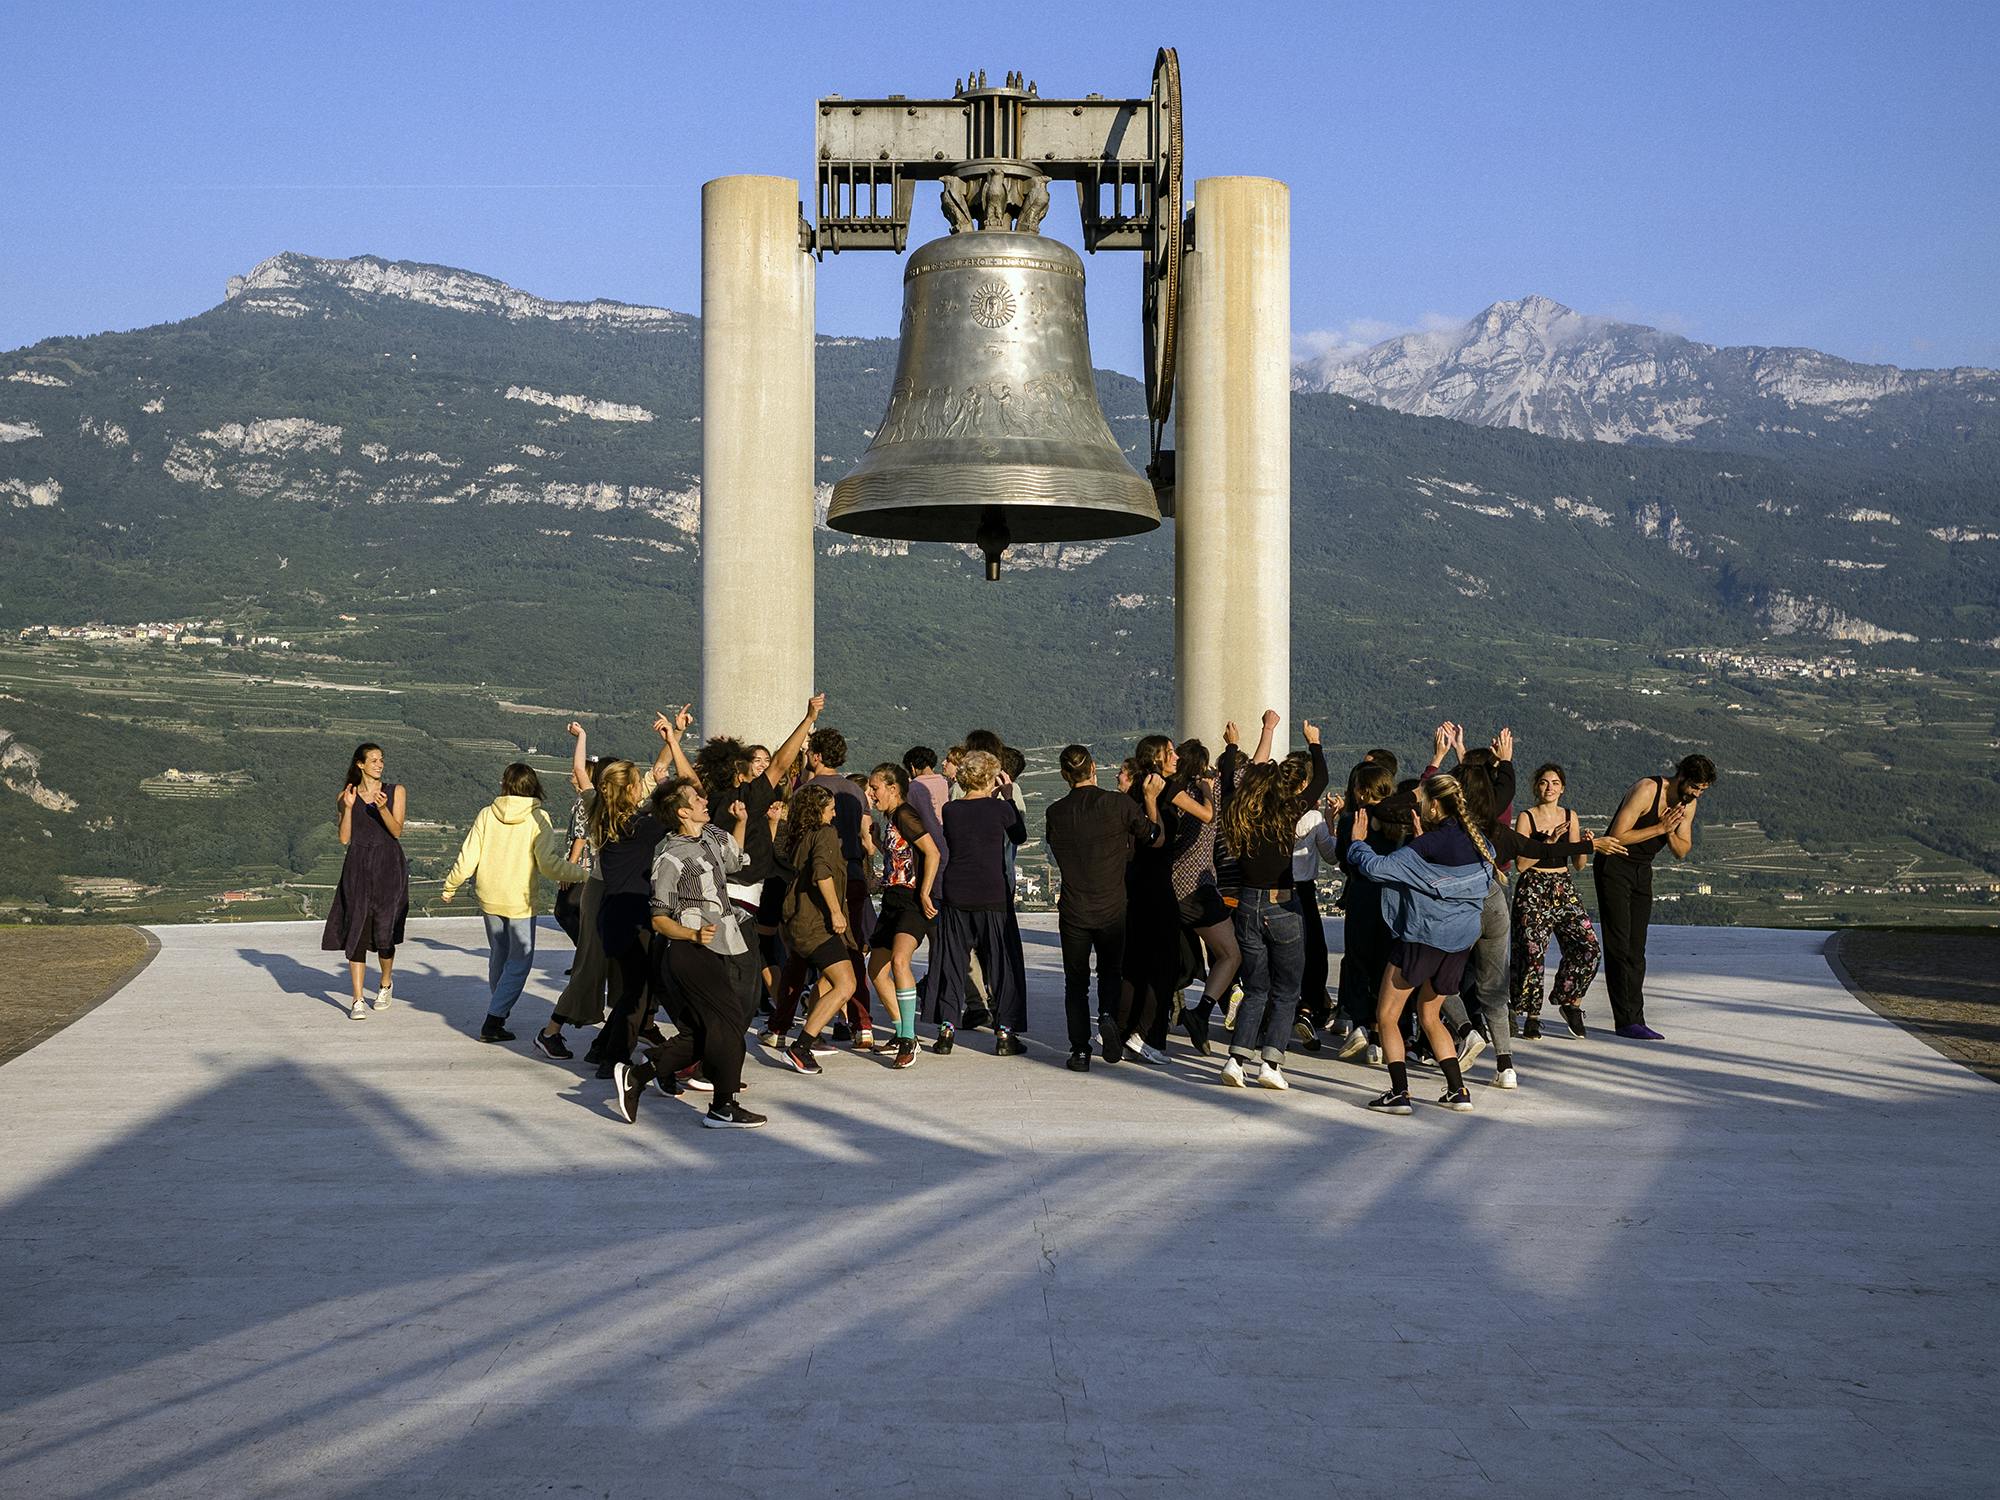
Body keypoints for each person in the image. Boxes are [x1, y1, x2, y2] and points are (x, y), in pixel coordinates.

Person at [610, 777, 766, 1129]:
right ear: (682, 811)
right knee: (728, 1026)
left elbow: (735, 862)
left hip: (719, 945)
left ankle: (638, 1074)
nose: (704, 800)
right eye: (697, 798)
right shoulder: (670, 856)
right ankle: (723, 1107)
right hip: (689, 951)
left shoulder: (711, 835)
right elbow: (659, 918)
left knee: (704, 1031)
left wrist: (741, 822)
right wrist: (693, 933)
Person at [1343, 775, 1495, 1115]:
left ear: (1435, 805)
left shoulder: (1427, 845)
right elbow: (1446, 874)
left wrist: (1357, 843)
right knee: (1430, 1014)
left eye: (1424, 801)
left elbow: (1378, 868)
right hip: (1458, 943)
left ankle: (1399, 1093)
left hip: (1421, 940)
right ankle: (1458, 1090)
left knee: (1387, 1016)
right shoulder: (1477, 840)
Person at [1216, 719, 1329, 1090]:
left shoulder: (1237, 812)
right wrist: (1314, 744)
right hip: (1282, 903)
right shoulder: (1285, 815)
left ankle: (1236, 1059)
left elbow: (1231, 780)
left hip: (1247, 903)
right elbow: (1320, 783)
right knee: (1285, 990)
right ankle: (1271, 1063)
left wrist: (1233, 747)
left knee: (1256, 987)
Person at [440, 762, 588, 1042]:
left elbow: (468, 855)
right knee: (520, 961)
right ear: (534, 787)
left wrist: (450, 886)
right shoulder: (539, 818)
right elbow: (548, 865)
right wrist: (582, 874)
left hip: (489, 895)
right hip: (518, 900)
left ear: (504, 785)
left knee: (499, 953)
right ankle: (494, 1020)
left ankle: (499, 1010)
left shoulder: (487, 814)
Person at [1043, 744, 1163, 1072]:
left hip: (1074, 908)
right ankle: (1108, 1016)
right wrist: (1151, 801)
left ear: (1065, 774)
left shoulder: (1055, 812)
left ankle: (1079, 1050)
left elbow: (1055, 847)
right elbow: (1154, 837)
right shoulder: (1118, 804)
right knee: (1111, 972)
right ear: (1093, 767)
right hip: (1112, 907)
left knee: (1076, 982)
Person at [1593, 753, 1716, 1040]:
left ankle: (1636, 1018)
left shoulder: (1688, 805)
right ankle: (1625, 1020)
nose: (1696, 794)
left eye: (1702, 791)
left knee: (1637, 947)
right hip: (1614, 865)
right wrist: (1659, 828)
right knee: (1619, 944)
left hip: (1641, 870)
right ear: (1681, 777)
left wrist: (1669, 831)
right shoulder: (1647, 790)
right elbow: (1616, 836)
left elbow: (1682, 849)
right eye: (1694, 787)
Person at [929, 751, 1028, 1056]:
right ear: (991, 777)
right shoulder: (1000, 809)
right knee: (1001, 963)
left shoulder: (951, 810)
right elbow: (1019, 836)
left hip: (956, 890)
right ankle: (1005, 1033)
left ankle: (946, 1030)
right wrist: (1008, 797)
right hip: (992, 893)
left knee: (952, 962)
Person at [591, 760, 674, 1075]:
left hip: (614, 915)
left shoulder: (614, 821)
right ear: (629, 789)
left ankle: (601, 1047)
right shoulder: (638, 828)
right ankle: (613, 1060)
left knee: (632, 989)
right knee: (637, 994)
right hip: (630, 918)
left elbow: (650, 809)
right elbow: (670, 813)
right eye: (639, 782)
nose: (642, 788)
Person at [1512, 763, 1604, 1043]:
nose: (1549, 787)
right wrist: (1549, 844)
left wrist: (1584, 845)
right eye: (1543, 782)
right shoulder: (1527, 818)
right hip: (1534, 886)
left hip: (1563, 885)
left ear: (1562, 788)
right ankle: (1531, 1015)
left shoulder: (1570, 816)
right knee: (1532, 953)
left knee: (1588, 946)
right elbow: (1521, 864)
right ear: (1536, 787)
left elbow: (1578, 865)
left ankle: (1569, 999)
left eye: (1554, 783)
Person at [775, 783, 862, 1074]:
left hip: (798, 922)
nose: (835, 813)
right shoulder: (825, 834)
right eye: (831, 808)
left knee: (826, 981)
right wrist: (837, 913)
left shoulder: (801, 836)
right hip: (818, 924)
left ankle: (813, 1036)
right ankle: (801, 1047)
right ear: (819, 810)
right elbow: (822, 874)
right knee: (846, 984)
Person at [322, 742, 409, 1020]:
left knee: (384, 933)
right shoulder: (345, 795)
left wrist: (382, 809)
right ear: (360, 764)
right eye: (373, 760)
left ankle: (385, 983)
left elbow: (397, 832)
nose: (379, 764)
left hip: (388, 865)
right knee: (356, 930)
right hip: (357, 866)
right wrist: (347, 808)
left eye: (381, 760)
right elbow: (344, 839)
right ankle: (357, 999)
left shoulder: (396, 791)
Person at [1166, 739, 1241, 1054]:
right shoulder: (1208, 795)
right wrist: (1235, 746)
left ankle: (1167, 1016)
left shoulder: (1170, 794)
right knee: (1230, 954)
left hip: (1169, 889)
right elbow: (1242, 775)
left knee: (1178, 961)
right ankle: (1201, 1012)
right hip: (1198, 888)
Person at [864, 764, 941, 1068]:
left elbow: (932, 852)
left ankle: (909, 1038)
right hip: (892, 900)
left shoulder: (906, 814)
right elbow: (901, 856)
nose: (871, 793)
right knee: (876, 971)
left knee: (899, 961)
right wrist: (875, 844)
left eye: (875, 787)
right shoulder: (892, 818)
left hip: (911, 901)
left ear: (893, 788)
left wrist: (924, 892)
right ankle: (900, 1031)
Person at [1116, 734, 1183, 1064]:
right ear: (1155, 757)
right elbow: (1156, 841)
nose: (1176, 757)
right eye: (1169, 752)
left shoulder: (1134, 792)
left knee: (1135, 965)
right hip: (1155, 889)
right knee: (1162, 967)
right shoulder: (1151, 792)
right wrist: (1155, 802)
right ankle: (1147, 1036)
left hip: (1135, 888)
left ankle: (1123, 1029)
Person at [1332, 759, 1396, 1062]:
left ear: (1360, 791)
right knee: (1385, 965)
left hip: (1361, 894)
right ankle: (1379, 1035)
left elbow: (1343, 861)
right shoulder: (1399, 822)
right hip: (1393, 899)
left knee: (1358, 961)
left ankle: (1358, 1024)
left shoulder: (1349, 821)